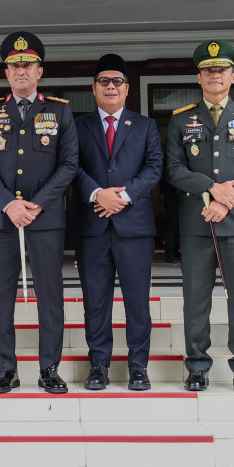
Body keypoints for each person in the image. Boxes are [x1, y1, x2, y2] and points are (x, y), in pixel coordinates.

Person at [0, 31, 79, 394]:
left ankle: (49, 368)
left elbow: (69, 164)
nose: (21, 70)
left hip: (44, 219)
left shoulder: (60, 110)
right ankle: (6, 369)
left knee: (50, 296)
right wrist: (8, 203)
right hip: (0, 220)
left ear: (39, 71)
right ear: (6, 71)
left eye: (27, 64)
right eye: (14, 65)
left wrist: (37, 203)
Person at [163, 40, 234, 392]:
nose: (215, 75)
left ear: (233, 76)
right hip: (197, 221)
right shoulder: (181, 120)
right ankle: (197, 365)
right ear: (199, 77)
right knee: (196, 298)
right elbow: (174, 169)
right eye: (208, 70)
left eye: (221, 70)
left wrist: (226, 200)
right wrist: (212, 187)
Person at [71, 54, 163, 390]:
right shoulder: (77, 125)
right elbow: (71, 167)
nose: (111, 87)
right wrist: (98, 194)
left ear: (128, 88)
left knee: (137, 301)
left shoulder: (145, 126)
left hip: (134, 228)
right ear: (93, 88)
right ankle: (99, 365)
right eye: (104, 82)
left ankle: (138, 366)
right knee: (96, 301)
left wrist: (121, 197)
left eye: (118, 82)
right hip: (92, 225)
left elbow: (153, 167)